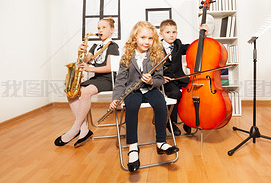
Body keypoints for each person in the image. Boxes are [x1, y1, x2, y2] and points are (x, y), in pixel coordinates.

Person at [109, 21, 179, 172]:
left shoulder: (156, 55)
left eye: (150, 38)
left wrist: (152, 81)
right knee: (132, 106)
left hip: (150, 89)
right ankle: (133, 147)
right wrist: (116, 98)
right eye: (143, 37)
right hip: (132, 91)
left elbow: (160, 79)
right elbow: (120, 80)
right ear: (135, 38)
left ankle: (161, 141)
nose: (146, 42)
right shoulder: (127, 56)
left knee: (160, 103)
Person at [54, 17, 119, 148]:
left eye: (104, 27)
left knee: (86, 91)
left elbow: (109, 68)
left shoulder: (113, 46)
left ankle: (74, 129)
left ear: (112, 30)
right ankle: (84, 130)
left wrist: (90, 68)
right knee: (71, 93)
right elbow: (84, 61)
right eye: (98, 28)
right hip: (97, 78)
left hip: (109, 79)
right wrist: (80, 52)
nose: (100, 30)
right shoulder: (95, 46)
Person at [160, 19, 209, 136]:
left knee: (195, 89)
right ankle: (170, 122)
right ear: (161, 34)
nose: (171, 35)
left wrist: (204, 36)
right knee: (176, 93)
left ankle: (189, 120)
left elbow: (194, 47)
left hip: (180, 77)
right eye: (168, 32)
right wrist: (161, 77)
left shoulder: (178, 44)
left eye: (174, 32)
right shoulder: (156, 48)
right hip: (166, 80)